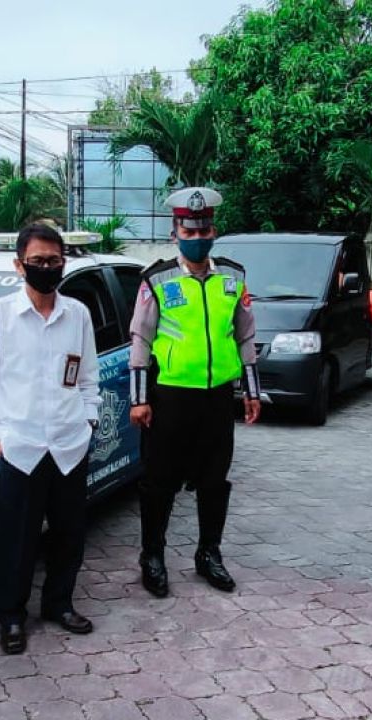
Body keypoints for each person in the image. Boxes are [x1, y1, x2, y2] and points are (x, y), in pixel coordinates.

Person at [0, 223, 100, 655]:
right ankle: (11, 616)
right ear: (19, 264)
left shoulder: (76, 314)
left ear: (64, 262)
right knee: (16, 540)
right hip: (20, 448)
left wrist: (89, 423)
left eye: (54, 261)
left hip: (68, 445)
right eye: (38, 261)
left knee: (68, 534)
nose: (46, 268)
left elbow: (88, 378)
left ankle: (59, 604)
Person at [129, 186, 261, 598]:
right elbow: (140, 340)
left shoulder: (233, 277)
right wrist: (139, 399)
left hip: (217, 398)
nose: (197, 237)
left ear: (213, 231)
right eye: (189, 230)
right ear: (176, 232)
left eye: (204, 231)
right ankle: (152, 556)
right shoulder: (157, 279)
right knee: (159, 482)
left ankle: (209, 554)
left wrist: (251, 392)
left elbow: (245, 336)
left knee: (213, 480)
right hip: (170, 398)